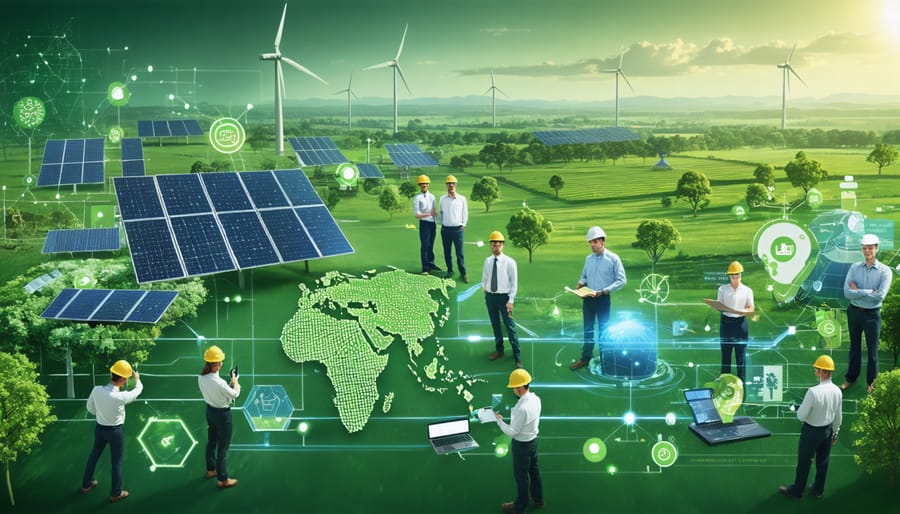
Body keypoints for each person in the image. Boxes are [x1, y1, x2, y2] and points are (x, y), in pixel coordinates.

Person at [779, 355, 842, 499]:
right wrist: (835, 433)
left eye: (817, 369)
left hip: (811, 432)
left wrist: (803, 410)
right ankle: (818, 490)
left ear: (824, 372)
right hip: (828, 431)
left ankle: (797, 491)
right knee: (823, 462)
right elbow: (838, 416)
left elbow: (801, 416)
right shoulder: (837, 391)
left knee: (804, 462)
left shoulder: (813, 392)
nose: (815, 372)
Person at [81, 359, 143, 503]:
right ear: (122, 379)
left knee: (94, 455)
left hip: (100, 429)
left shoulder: (96, 390)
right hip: (115, 432)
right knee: (116, 462)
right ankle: (115, 493)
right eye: (126, 378)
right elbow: (138, 391)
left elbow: (90, 408)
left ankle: (86, 485)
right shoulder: (121, 396)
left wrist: (101, 414)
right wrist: (137, 379)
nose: (126, 380)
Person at [841, 234, 892, 394]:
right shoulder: (854, 268)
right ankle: (850, 378)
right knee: (854, 347)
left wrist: (858, 291)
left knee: (872, 350)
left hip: (872, 315)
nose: (867, 251)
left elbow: (880, 295)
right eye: (864, 248)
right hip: (854, 312)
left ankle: (871, 382)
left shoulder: (885, 271)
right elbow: (847, 293)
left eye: (870, 248)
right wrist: (869, 291)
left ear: (876, 248)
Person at [570, 226, 626, 370]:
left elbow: (621, 280)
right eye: (590, 242)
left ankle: (606, 360)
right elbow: (584, 276)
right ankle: (585, 358)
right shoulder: (588, 259)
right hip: (588, 299)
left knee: (604, 331)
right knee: (588, 330)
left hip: (603, 300)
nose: (592, 245)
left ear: (602, 241)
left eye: (594, 242)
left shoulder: (613, 259)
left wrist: (604, 291)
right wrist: (580, 283)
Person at [495, 368, 543, 514]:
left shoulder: (521, 408)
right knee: (534, 472)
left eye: (514, 387)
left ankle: (520, 506)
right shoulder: (536, 399)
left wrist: (499, 421)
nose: (513, 390)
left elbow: (512, 431)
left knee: (521, 477)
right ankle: (538, 499)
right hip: (533, 442)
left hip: (521, 446)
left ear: (520, 388)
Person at [198, 345, 241, 489]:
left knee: (212, 442)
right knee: (223, 448)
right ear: (215, 364)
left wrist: (228, 386)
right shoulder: (221, 383)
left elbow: (218, 392)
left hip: (210, 412)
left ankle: (211, 470)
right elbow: (234, 394)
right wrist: (235, 383)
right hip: (223, 416)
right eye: (220, 361)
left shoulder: (201, 377)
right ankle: (223, 479)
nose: (222, 363)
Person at [483, 230, 521, 367]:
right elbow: (486, 276)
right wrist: (485, 288)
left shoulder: (510, 262)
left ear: (502, 244)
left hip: (504, 298)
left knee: (510, 327)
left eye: (498, 243)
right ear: (490, 245)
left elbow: (514, 283)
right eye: (493, 243)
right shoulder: (487, 261)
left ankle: (517, 356)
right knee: (495, 325)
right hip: (491, 298)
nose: (496, 245)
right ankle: (499, 350)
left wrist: (510, 300)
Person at [716, 261, 755, 383]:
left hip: (740, 324)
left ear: (741, 275)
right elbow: (719, 306)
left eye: (737, 274)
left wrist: (741, 311)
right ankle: (724, 382)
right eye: (733, 275)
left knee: (741, 355)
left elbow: (751, 308)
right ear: (729, 276)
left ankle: (741, 383)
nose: (735, 277)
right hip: (726, 324)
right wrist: (727, 309)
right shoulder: (722, 289)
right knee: (726, 354)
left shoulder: (747, 290)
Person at [439, 174, 469, 283]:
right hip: (446, 229)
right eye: (448, 183)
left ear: (456, 184)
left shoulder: (462, 199)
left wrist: (463, 224)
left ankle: (463, 273)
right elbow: (441, 213)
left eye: (452, 183)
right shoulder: (442, 199)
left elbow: (465, 213)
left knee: (459, 253)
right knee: (447, 252)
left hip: (457, 230)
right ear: (446, 185)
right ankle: (450, 270)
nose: (450, 185)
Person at [412, 174, 440, 274]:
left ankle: (431, 264)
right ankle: (425, 268)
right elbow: (416, 214)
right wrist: (429, 214)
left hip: (433, 223)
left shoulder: (432, 197)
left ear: (428, 185)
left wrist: (437, 215)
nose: (424, 185)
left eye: (426, 184)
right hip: (424, 224)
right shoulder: (417, 198)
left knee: (431, 245)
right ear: (419, 185)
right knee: (425, 245)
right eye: (422, 184)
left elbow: (434, 210)